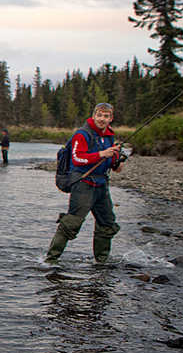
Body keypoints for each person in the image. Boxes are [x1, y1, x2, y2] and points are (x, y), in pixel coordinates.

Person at [45, 102, 124, 263]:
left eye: (106, 116)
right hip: (83, 184)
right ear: (93, 116)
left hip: (101, 185)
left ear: (111, 118)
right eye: (99, 115)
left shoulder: (109, 136)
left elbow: (112, 165)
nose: (102, 119)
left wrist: (116, 160)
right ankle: (50, 260)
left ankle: (102, 261)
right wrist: (102, 154)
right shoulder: (81, 134)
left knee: (107, 224)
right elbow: (78, 158)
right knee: (71, 224)